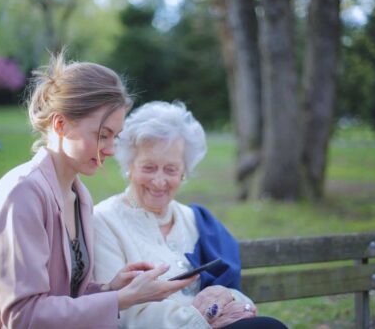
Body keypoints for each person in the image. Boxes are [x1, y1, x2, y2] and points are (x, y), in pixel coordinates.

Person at [0, 54, 196, 328]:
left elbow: (65, 296)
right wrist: (119, 300)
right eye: (101, 135)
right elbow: (24, 316)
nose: (110, 150)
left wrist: (111, 289)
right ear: (60, 125)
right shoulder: (22, 193)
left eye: (114, 137)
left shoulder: (79, 196)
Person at [93, 101, 287, 329]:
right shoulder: (104, 220)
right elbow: (122, 313)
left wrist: (229, 299)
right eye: (148, 167)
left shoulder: (195, 220)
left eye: (171, 169)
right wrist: (202, 318)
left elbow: (237, 296)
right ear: (129, 166)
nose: (159, 181)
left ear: (184, 172)